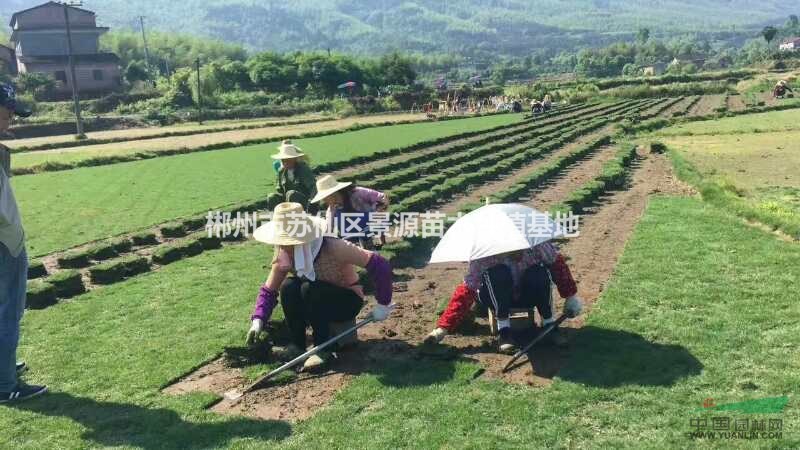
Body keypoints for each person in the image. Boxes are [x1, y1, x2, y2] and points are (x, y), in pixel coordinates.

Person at [245, 202, 394, 372]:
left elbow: (379, 264)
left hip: (346, 300)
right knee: (289, 286)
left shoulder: (333, 246)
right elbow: (269, 290)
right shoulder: (284, 254)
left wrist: (383, 304)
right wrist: (258, 320)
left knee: (309, 289)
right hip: (314, 301)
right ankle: (297, 344)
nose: (284, 246)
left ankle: (323, 348)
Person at [424, 241, 583, 354]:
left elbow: (558, 266)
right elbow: (468, 289)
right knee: (498, 273)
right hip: (496, 296)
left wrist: (571, 296)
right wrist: (443, 328)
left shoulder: (537, 246)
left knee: (539, 273)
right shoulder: (485, 255)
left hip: (526, 294)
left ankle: (549, 325)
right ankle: (504, 331)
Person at [0, 83, 47, 403]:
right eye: (8, 113)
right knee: (8, 312)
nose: (12, 120)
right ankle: (5, 385)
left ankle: (3, 367)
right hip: (5, 243)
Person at [311, 175, 389, 248]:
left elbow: (382, 197)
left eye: (325, 198)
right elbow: (328, 228)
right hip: (352, 232)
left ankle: (376, 242)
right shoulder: (331, 210)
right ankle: (359, 244)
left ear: (332, 194)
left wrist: (379, 209)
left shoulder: (357, 193)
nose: (324, 201)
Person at [266, 140, 317, 212]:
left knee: (291, 194)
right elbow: (280, 190)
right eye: (283, 160)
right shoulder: (281, 171)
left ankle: (294, 217)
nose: (285, 163)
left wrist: (312, 203)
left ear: (294, 159)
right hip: (288, 201)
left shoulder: (303, 169)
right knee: (272, 197)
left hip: (303, 202)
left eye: (288, 160)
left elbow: (313, 188)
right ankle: (276, 218)